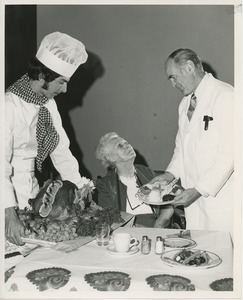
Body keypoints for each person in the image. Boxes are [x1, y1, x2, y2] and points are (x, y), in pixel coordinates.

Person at [5, 32, 89, 245]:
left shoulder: (48, 105)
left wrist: (81, 190)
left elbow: (61, 150)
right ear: (42, 76)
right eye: (62, 82)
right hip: (4, 196)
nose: (65, 89)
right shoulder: (7, 106)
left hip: (31, 191)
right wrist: (9, 214)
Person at [150, 48, 234, 235]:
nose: (172, 84)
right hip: (195, 205)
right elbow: (181, 149)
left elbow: (230, 155)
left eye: (173, 77)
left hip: (220, 202)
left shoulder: (226, 96)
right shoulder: (185, 105)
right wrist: (170, 174)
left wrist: (198, 190)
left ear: (189, 67)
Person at [95, 132, 183, 228]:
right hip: (128, 235)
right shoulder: (105, 184)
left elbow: (168, 202)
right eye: (120, 146)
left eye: (126, 143)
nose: (127, 146)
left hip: (159, 230)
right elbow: (108, 219)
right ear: (110, 158)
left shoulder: (146, 172)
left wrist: (159, 223)